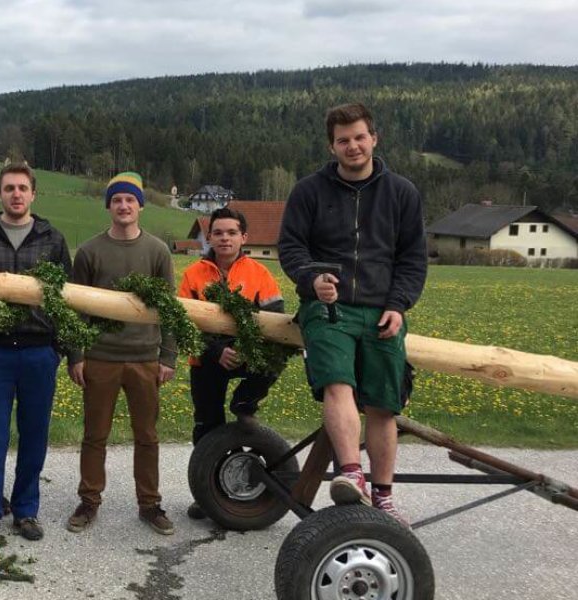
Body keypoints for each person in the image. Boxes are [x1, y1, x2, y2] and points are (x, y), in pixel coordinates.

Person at [278, 103, 427, 526]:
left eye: (359, 137)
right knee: (337, 383)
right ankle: (350, 475)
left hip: (383, 311)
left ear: (374, 139)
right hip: (329, 309)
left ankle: (383, 496)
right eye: (343, 140)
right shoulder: (309, 191)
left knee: (383, 404)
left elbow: (413, 258)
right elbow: (291, 249)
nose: (353, 146)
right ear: (332, 146)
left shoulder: (402, 193)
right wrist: (313, 280)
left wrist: (399, 304)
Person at [64, 172, 178, 536]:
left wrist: (168, 356)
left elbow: (169, 308)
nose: (124, 206)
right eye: (117, 200)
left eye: (130, 200)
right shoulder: (90, 252)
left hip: (145, 357)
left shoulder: (158, 251)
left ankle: (149, 504)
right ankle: (89, 500)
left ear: (140, 205)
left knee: (147, 435)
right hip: (100, 357)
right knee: (94, 435)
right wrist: (76, 355)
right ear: (109, 206)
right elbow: (75, 307)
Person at [0, 162, 72, 541]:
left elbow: (66, 297)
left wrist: (58, 348)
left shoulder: (52, 239)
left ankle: (26, 511)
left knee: (34, 434)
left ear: (33, 194)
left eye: (22, 188)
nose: (16, 194)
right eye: (9, 188)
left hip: (39, 352)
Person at [177, 207, 285, 520]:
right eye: (219, 233)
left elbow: (275, 321)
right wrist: (216, 352)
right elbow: (185, 324)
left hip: (246, 354)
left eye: (231, 233)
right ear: (209, 236)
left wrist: (243, 350)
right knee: (207, 428)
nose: (225, 238)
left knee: (276, 359)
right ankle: (206, 493)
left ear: (244, 237)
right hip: (207, 359)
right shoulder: (193, 274)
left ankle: (245, 401)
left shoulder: (260, 274)